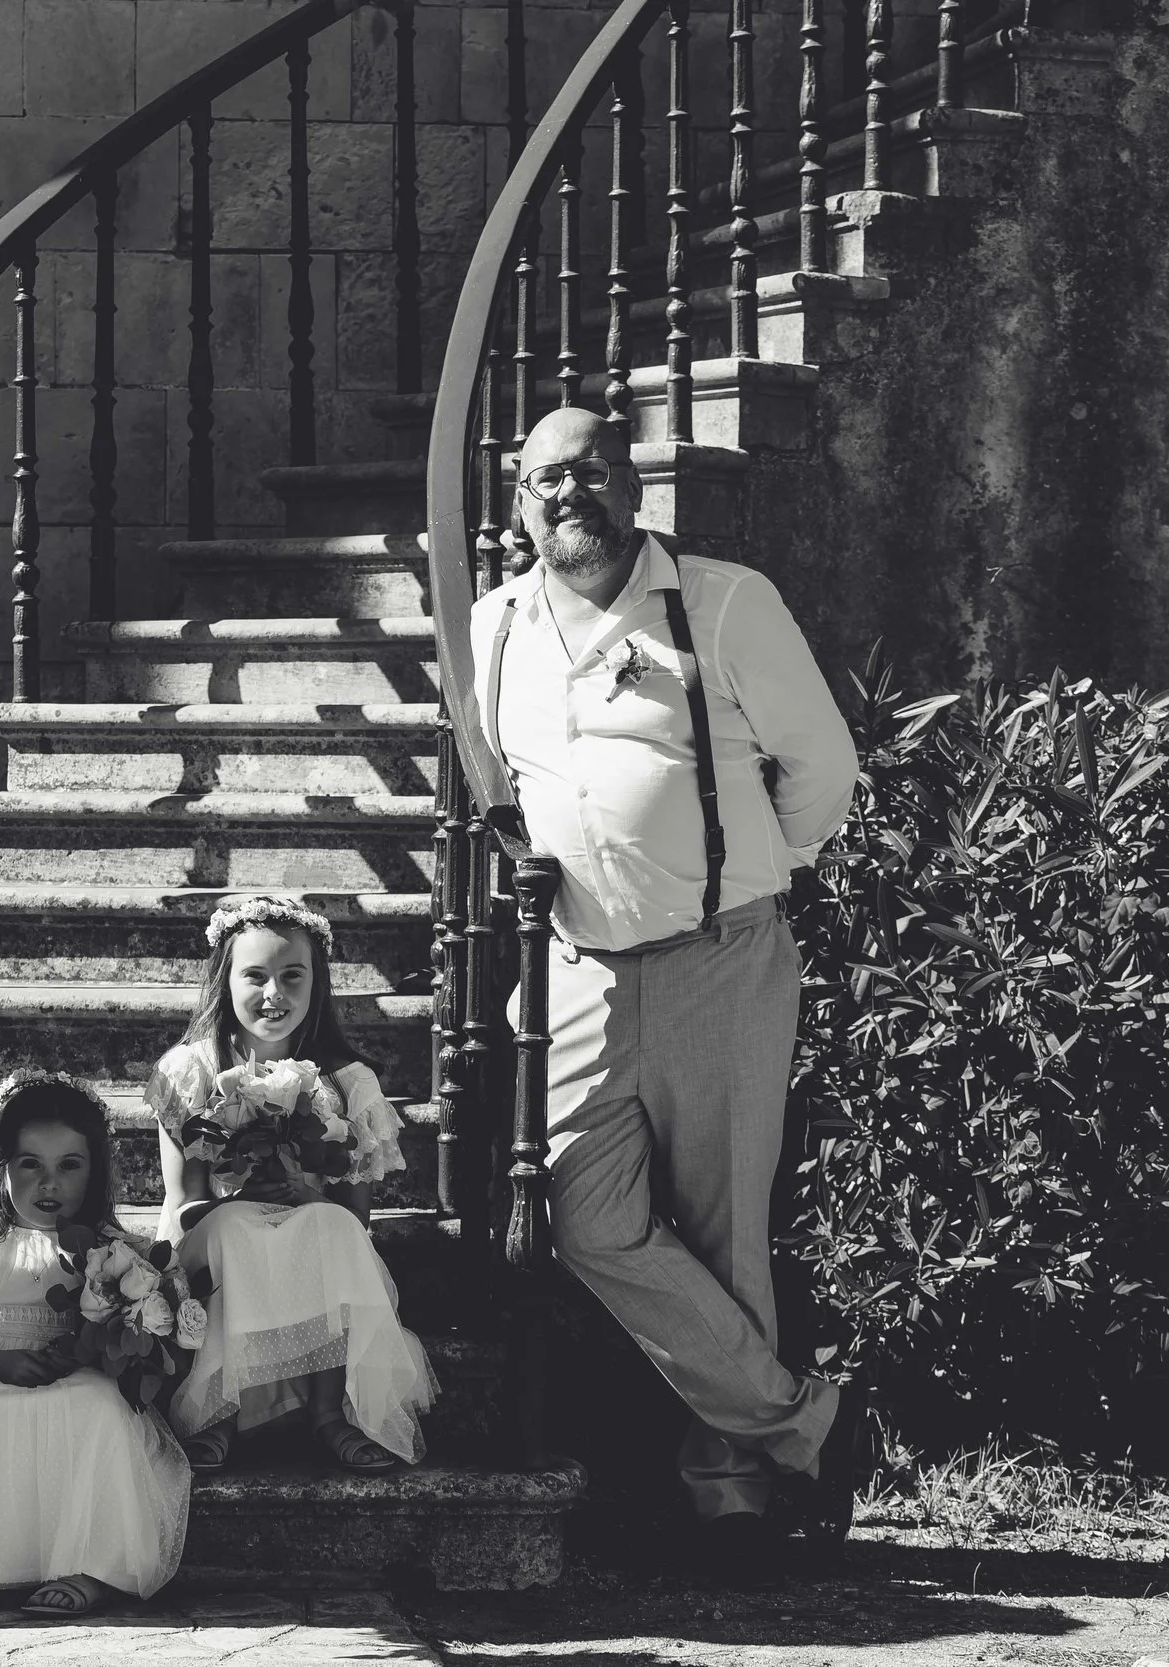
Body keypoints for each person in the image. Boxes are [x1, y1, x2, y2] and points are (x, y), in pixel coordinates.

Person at [466, 406, 873, 1570]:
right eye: (547, 476)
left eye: (594, 470)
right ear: (519, 498)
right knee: (579, 1218)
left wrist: (753, 871)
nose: (571, 493)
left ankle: (733, 1499)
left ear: (632, 485)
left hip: (721, 955)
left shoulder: (723, 601)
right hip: (576, 969)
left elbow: (823, 767)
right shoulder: (492, 627)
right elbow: (498, 784)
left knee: (727, 1226)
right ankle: (808, 1423)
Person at [148, 897, 436, 1473]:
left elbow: (357, 1218)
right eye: (255, 975)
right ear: (225, 979)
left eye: (292, 976)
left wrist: (308, 1196)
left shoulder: (347, 1082)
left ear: (317, 983)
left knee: (328, 1224)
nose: (274, 993)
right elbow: (183, 1205)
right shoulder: (191, 1071)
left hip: (310, 1236)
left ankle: (329, 1412)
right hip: (214, 1234)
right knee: (236, 1226)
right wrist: (240, 1198)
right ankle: (218, 1409)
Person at [0, 1072, 193, 1617]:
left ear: (94, 1171)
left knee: (99, 1405)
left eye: (69, 1165)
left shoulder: (114, 1252)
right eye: (30, 1164)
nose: (50, 1183)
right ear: (1, 1167)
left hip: (75, 1380)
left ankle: (88, 1567)